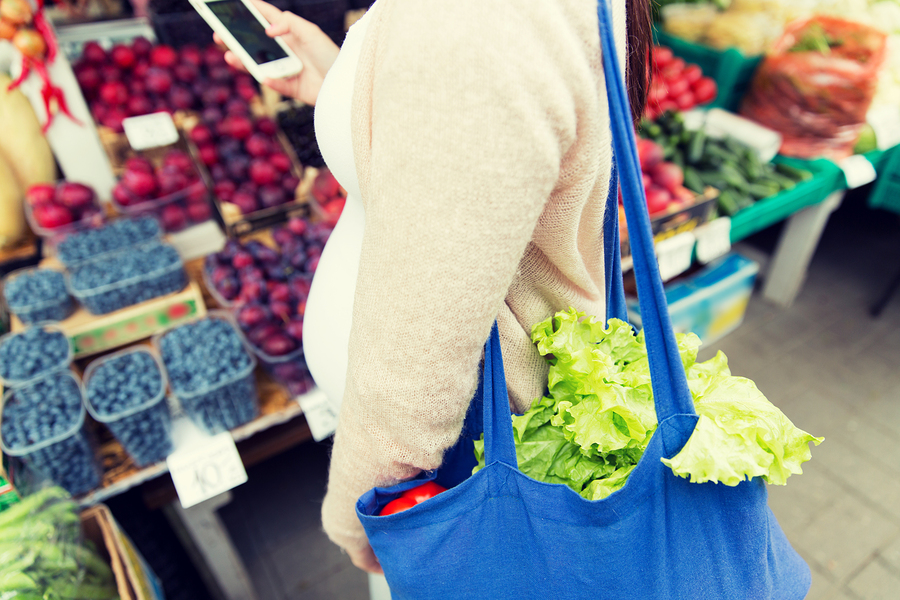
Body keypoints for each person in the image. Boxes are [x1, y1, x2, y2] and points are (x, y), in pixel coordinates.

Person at [219, 0, 651, 576]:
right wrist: (342, 83)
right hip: (465, 433)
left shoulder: (475, 15)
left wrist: (360, 514)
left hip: (459, 451)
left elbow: (417, 357)